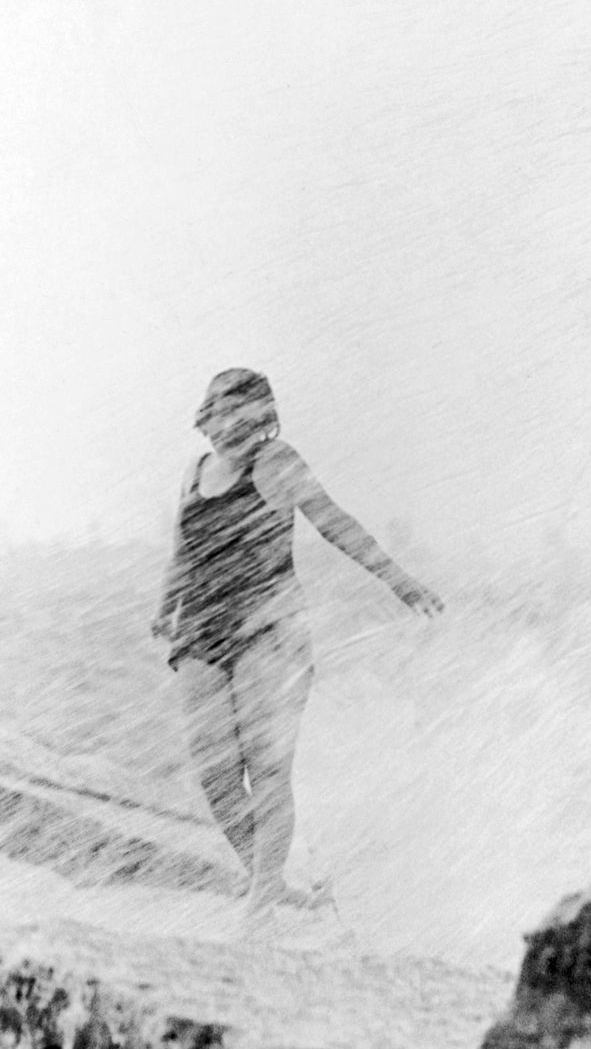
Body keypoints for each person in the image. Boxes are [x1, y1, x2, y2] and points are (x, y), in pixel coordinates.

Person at [152, 369, 441, 925]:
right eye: (220, 418)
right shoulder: (193, 471)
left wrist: (397, 579)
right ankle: (270, 881)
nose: (229, 432)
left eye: (244, 421)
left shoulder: (278, 462)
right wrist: (164, 608)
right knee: (214, 774)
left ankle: (260, 904)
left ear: (261, 420)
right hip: (200, 630)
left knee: (266, 769)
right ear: (206, 416)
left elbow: (334, 523)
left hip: (270, 628)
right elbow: (181, 550)